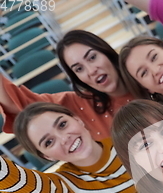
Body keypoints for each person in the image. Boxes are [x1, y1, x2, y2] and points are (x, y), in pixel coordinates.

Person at [1, 102, 139, 193]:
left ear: (77, 119)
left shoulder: (125, 140)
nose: (64, 138)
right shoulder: (67, 185)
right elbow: (17, 182)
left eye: (62, 125)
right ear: (47, 156)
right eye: (49, 142)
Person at [0, 30, 134, 140]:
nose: (91, 71)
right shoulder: (77, 104)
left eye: (92, 57)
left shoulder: (144, 74)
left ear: (106, 53)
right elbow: (17, 104)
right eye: (79, 69)